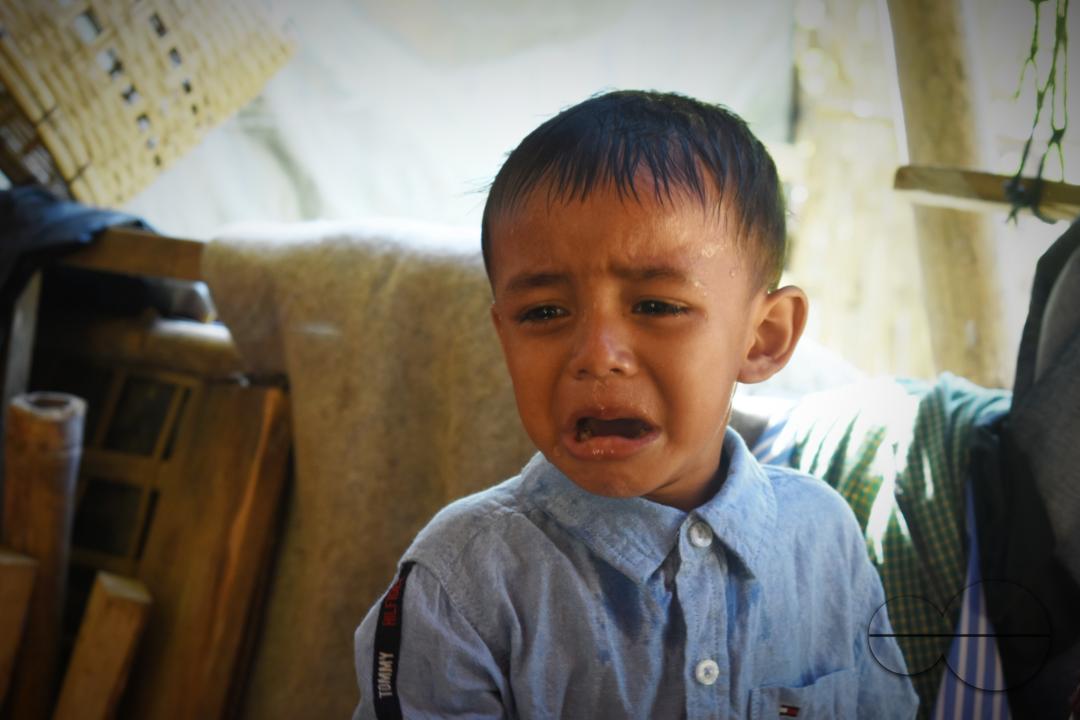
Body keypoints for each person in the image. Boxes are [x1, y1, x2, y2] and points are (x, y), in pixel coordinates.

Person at [352, 90, 918, 719]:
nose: (597, 355)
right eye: (543, 312)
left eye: (657, 306)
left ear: (764, 337)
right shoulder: (463, 584)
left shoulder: (823, 541)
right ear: (502, 335)